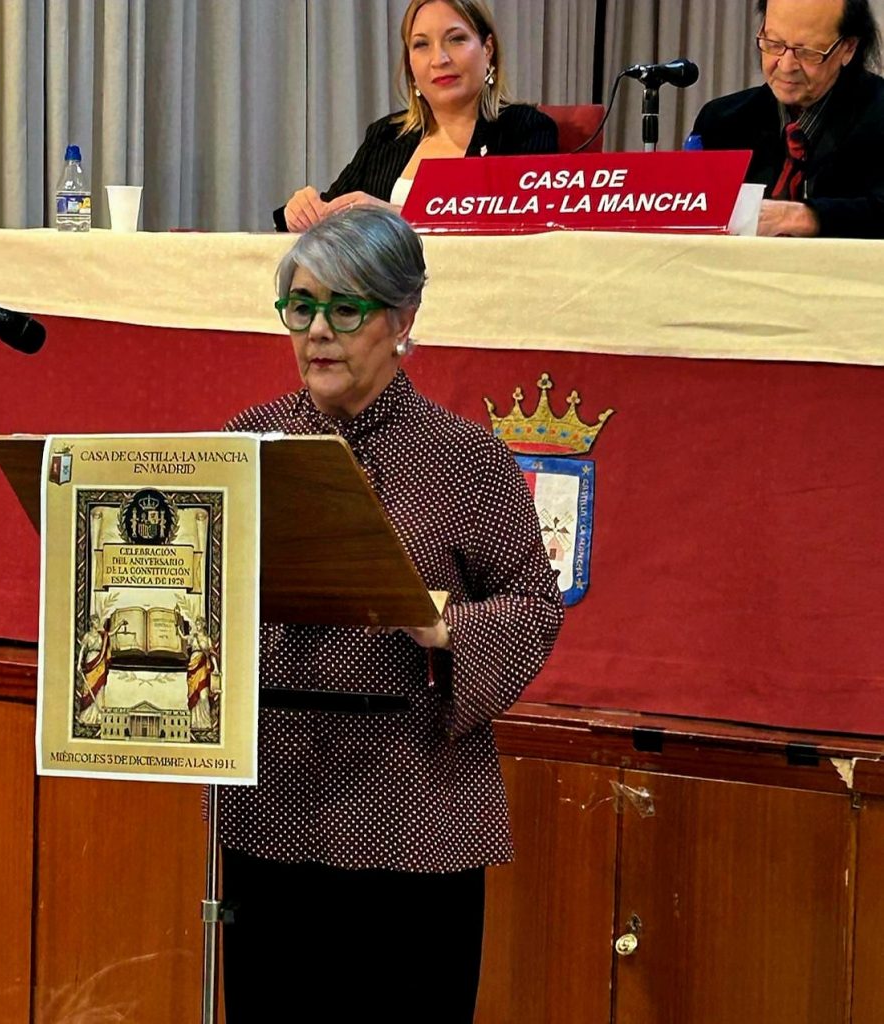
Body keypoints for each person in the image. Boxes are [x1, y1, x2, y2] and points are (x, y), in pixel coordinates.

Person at [219, 207, 564, 1023]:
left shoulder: (466, 458)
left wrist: (445, 626)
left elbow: (534, 607)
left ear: (402, 321)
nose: (317, 331)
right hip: (271, 808)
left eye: (346, 309)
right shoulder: (246, 442)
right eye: (301, 307)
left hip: (415, 811)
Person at [277, 0, 558, 231]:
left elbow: (520, 226)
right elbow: (331, 209)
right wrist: (301, 212)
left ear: (487, 50)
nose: (440, 59)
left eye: (456, 39)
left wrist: (396, 217)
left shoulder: (525, 128)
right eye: (422, 45)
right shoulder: (386, 135)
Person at [692, 0, 884, 238]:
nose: (785, 65)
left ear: (848, 47)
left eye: (807, 52)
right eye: (774, 44)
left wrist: (808, 218)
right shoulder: (721, 121)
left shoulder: (877, 114)